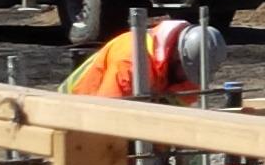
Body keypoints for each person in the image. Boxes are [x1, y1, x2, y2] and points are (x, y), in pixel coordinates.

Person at [64, 15, 225, 102]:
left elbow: (181, 115)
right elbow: (111, 120)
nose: (187, 79)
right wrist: (138, 159)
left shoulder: (188, 65)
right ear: (176, 56)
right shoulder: (130, 61)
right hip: (75, 117)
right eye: (186, 73)